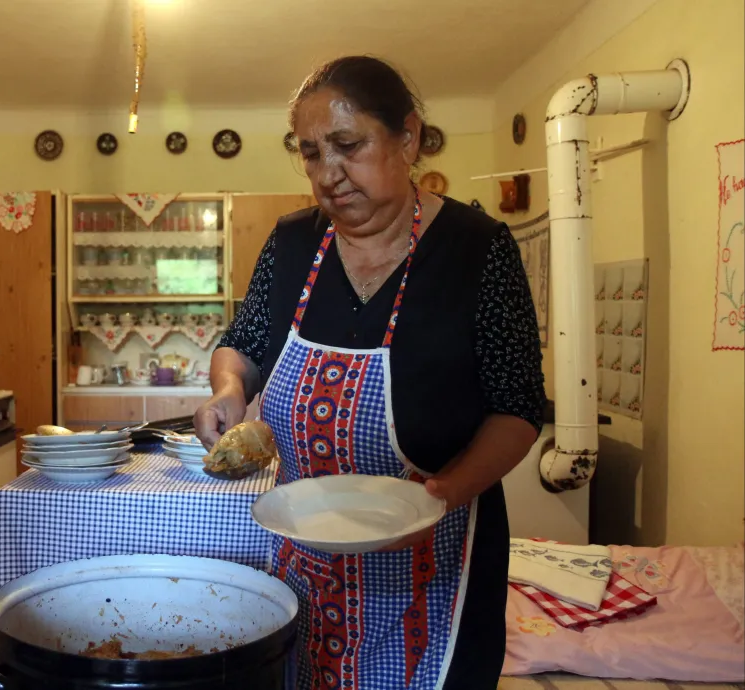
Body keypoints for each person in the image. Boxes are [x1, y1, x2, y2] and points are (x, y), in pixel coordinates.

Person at [195, 55, 545, 689]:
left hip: (435, 562)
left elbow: (518, 408)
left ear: (407, 137)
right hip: (308, 562)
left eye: (347, 146)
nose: (329, 174)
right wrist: (229, 391)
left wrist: (441, 494)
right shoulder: (292, 242)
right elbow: (240, 343)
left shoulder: (478, 250)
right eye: (310, 154)